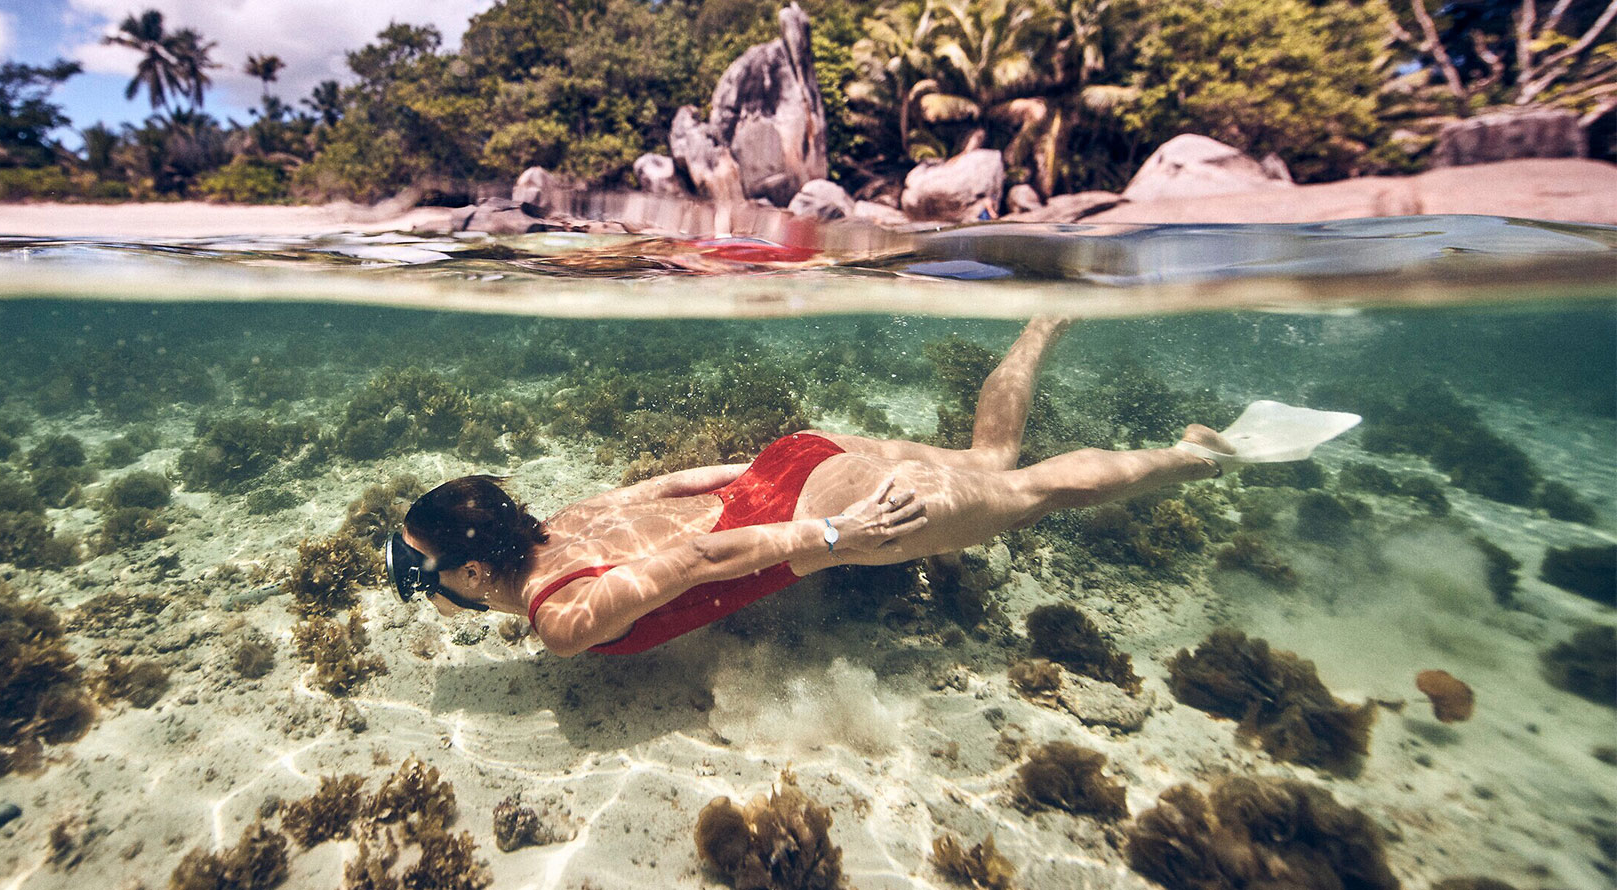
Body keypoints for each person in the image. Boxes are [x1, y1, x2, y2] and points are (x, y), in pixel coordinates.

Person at [386, 317, 1333, 657]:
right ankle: (1044, 320)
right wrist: (777, 466)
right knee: (992, 461)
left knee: (1037, 488)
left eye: (424, 579)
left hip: (821, 512)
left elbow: (702, 555)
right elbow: (674, 487)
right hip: (793, 463)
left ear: (473, 576)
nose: (427, 594)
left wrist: (840, 538)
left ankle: (1206, 453)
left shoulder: (560, 620)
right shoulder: (568, 521)